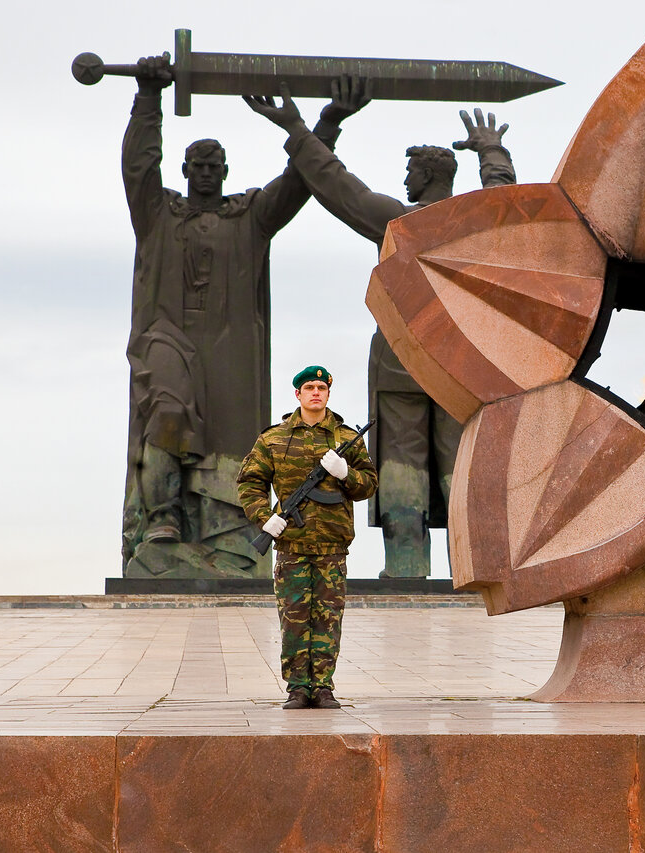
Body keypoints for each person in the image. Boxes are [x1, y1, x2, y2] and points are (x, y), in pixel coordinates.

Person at [244, 78, 516, 579]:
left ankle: (407, 570)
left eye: (412, 171)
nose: (407, 180)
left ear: (428, 175)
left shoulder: (401, 221)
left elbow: (336, 186)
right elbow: (505, 198)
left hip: (403, 363)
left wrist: (297, 128)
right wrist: (491, 152)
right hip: (459, 363)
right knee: (460, 466)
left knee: (402, 471)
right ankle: (475, 574)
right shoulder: (475, 222)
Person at [120, 55, 359, 577]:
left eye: (215, 166)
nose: (206, 173)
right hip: (166, 337)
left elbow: (298, 183)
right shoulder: (157, 213)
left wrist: (329, 122)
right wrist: (148, 100)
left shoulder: (249, 216)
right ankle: (161, 521)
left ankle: (221, 538)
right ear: (184, 171)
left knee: (231, 447)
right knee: (164, 410)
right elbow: (138, 167)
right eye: (197, 166)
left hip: (230, 352)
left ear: (225, 171)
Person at [237, 366, 378, 709]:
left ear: (328, 394)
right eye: (309, 387)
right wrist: (265, 517)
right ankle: (298, 688)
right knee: (294, 618)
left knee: (328, 618)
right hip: (291, 545)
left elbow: (369, 485)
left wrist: (345, 474)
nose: (315, 392)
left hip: (332, 545)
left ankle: (324, 687)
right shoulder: (274, 438)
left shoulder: (346, 439)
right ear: (297, 395)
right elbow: (250, 482)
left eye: (321, 388)